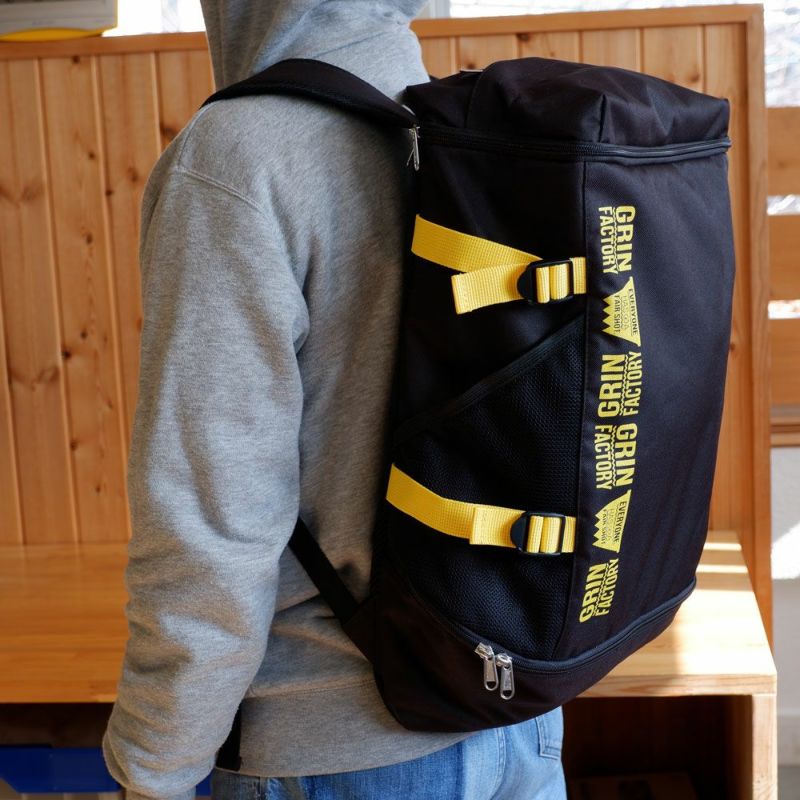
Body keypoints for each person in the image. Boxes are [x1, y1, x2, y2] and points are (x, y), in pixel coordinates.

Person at [101, 1, 568, 798]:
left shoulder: (238, 157)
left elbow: (211, 525)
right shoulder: (461, 124)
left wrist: (153, 765)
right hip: (514, 715)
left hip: (335, 747)